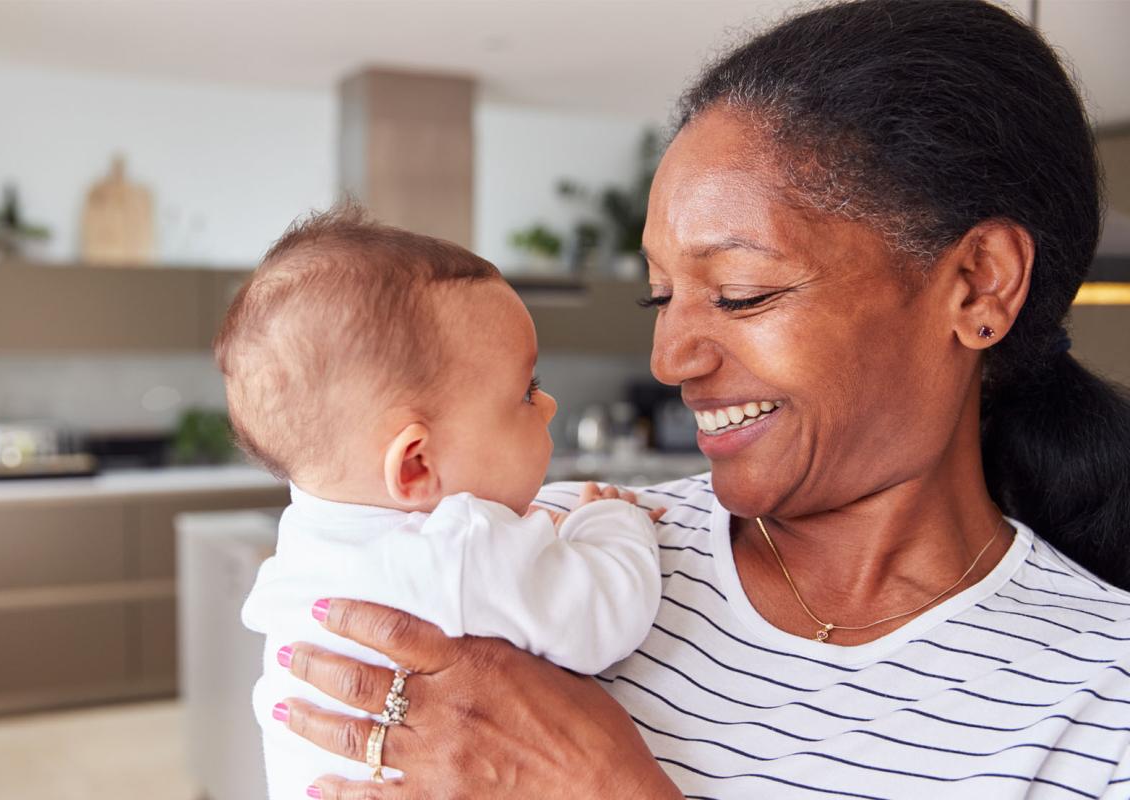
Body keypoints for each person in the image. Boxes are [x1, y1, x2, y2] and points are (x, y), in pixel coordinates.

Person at [262, 1, 1130, 797]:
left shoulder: (1101, 705)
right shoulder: (546, 541)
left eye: (742, 291)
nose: (670, 355)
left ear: (978, 285)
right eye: (660, 296)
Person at [213, 208, 662, 799]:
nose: (549, 403)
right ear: (416, 464)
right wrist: (613, 520)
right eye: (525, 392)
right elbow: (606, 611)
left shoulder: (307, 544)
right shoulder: (461, 548)